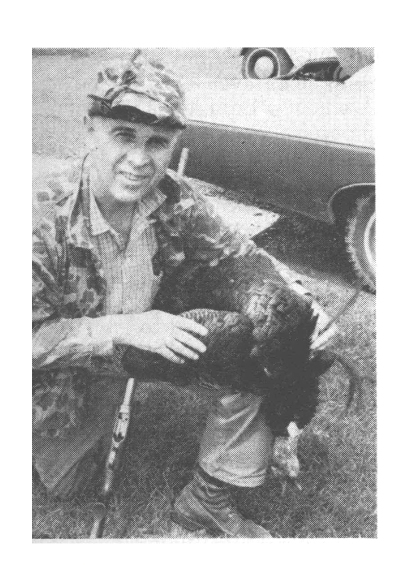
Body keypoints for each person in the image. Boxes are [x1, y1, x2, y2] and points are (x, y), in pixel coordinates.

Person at [33, 57, 305, 538]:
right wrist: (119, 329)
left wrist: (291, 301)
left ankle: (208, 498)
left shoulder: (172, 195)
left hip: (153, 338)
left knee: (265, 343)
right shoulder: (35, 221)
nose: (141, 161)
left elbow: (239, 254)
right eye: (124, 136)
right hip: (72, 360)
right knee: (69, 484)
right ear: (90, 129)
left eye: (157, 143)